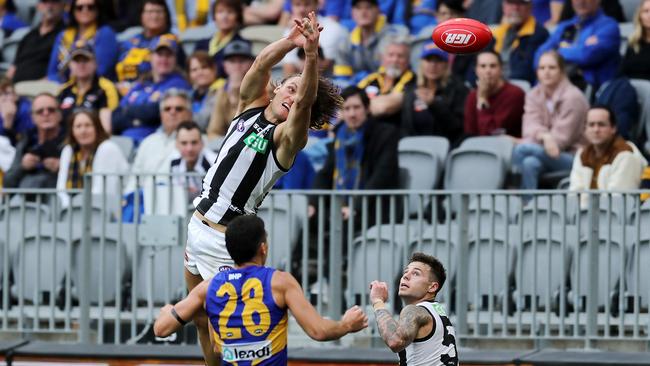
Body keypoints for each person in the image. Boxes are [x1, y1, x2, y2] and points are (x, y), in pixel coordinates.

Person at [186, 13, 341, 364]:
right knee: (198, 319)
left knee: (227, 327)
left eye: (301, 93)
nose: (295, 94)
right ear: (276, 88)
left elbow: (303, 103)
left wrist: (312, 56)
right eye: (290, 85)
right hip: (197, 225)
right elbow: (259, 63)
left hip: (227, 240)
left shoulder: (286, 139)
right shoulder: (247, 107)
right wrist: (292, 40)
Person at [154, 215, 368, 365]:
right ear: (263, 248)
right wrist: (347, 324)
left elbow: (161, 329)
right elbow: (318, 331)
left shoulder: (208, 287)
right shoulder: (280, 282)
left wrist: (168, 310)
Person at [309, 85, 399, 226]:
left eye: (356, 107)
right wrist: (313, 204)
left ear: (367, 109)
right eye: (347, 109)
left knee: (342, 228)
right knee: (311, 222)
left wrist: (355, 207)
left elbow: (381, 176)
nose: (352, 114)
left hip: (373, 209)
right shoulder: (340, 137)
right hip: (341, 209)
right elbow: (325, 174)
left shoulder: (385, 134)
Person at [512, 50, 588, 191]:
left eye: (552, 68)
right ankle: (528, 207)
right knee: (530, 163)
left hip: (574, 157)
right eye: (542, 68)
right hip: (544, 150)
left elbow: (561, 141)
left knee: (521, 149)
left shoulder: (573, 97)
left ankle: (512, 189)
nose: (546, 72)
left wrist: (540, 139)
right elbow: (529, 127)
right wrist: (544, 136)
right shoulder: (533, 94)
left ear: (562, 71)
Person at [369, 252, 458, 366]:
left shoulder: (414, 311)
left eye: (416, 273)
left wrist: (378, 301)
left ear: (432, 287)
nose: (406, 276)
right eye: (405, 272)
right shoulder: (437, 310)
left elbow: (395, 341)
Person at [111, 37, 191, 143]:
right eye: (160, 54)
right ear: (151, 57)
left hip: (153, 141)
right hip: (124, 140)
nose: (164, 59)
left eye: (168, 55)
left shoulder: (178, 83)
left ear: (175, 59)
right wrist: (139, 118)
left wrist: (128, 112)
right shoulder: (141, 84)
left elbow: (156, 113)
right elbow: (116, 116)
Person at [569, 105, 648, 207]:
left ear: (613, 128)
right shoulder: (582, 154)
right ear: (585, 129)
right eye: (591, 125)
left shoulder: (626, 154)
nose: (596, 129)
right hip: (586, 218)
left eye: (601, 125)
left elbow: (618, 201)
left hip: (617, 220)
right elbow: (575, 193)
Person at [534, 0, 620, 91]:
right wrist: (579, 48)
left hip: (589, 89)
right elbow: (539, 55)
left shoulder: (609, 26)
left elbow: (586, 56)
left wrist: (558, 51)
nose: (580, 1)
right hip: (554, 86)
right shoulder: (565, 26)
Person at [56, 109, 128, 207]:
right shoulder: (68, 150)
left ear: (97, 128)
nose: (83, 131)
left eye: (88, 125)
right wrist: (69, 210)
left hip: (108, 209)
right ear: (72, 131)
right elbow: (61, 189)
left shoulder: (107, 148)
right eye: (78, 126)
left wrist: (79, 210)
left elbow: (102, 190)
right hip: (75, 211)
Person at [400, 42, 468, 144]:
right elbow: (405, 126)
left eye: (438, 61)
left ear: (446, 64)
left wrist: (434, 104)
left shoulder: (458, 89)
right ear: (421, 63)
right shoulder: (410, 89)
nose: (433, 65)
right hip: (414, 149)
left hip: (446, 149)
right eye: (429, 60)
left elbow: (458, 127)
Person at [333, 0, 408, 86]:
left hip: (386, 89)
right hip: (354, 91)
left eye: (368, 7)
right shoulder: (345, 41)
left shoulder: (393, 37)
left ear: (378, 10)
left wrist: (359, 80)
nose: (363, 12)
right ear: (352, 13)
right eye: (358, 8)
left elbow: (389, 75)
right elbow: (341, 78)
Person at [115, 0, 183, 94]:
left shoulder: (171, 41)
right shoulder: (130, 42)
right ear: (141, 15)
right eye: (150, 12)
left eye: (159, 12)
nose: (154, 16)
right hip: (122, 92)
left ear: (166, 15)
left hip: (153, 93)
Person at [47, 0, 119, 83]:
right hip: (61, 85)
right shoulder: (62, 35)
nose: (85, 11)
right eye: (79, 8)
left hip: (94, 87)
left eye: (90, 7)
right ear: (73, 11)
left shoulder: (105, 33)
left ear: (97, 9)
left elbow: (102, 70)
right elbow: (51, 72)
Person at [3, 93, 64, 189]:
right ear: (33, 117)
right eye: (40, 111)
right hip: (25, 201)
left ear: (59, 114)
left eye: (51, 110)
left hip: (57, 200)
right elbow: (7, 183)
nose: (46, 114)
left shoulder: (70, 140)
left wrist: (64, 168)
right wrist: (23, 167)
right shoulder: (26, 141)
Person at [58, 43, 120, 134]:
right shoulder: (63, 90)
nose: (81, 64)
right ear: (70, 64)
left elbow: (112, 120)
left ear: (95, 63)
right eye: (76, 60)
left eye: (85, 60)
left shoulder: (106, 88)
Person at [464, 50, 525, 138]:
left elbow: (492, 133)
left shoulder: (515, 94)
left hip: (507, 148)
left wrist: (482, 99)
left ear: (501, 69)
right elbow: (470, 133)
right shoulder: (472, 97)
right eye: (483, 66)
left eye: (493, 66)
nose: (488, 71)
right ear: (476, 70)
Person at [357, 34, 414, 127]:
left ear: (408, 61)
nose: (395, 60)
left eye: (400, 56)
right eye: (390, 55)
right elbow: (349, 100)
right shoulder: (372, 78)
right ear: (382, 58)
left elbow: (383, 108)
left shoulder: (412, 79)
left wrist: (359, 106)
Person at [206, 40, 255, 139]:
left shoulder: (264, 86)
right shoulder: (221, 90)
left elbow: (247, 125)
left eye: (242, 61)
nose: (237, 66)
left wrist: (236, 94)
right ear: (225, 66)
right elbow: (214, 131)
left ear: (252, 63)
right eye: (232, 61)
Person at [6, 0, 65, 83]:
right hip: (15, 88)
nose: (49, 6)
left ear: (62, 5)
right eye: (45, 2)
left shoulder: (65, 35)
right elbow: (13, 68)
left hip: (44, 89)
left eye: (54, 2)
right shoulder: (29, 36)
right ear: (38, 6)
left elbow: (62, 72)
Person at [491, 0, 549, 83]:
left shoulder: (539, 34)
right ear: (504, 7)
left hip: (517, 86)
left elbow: (524, 73)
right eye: (511, 3)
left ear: (530, 7)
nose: (515, 8)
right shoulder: (498, 32)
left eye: (521, 3)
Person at [162, 121, 217, 204]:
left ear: (202, 143)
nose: (189, 149)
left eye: (194, 142)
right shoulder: (172, 161)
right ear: (176, 144)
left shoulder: (214, 163)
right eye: (184, 143)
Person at [195, 0, 247, 78]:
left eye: (230, 12)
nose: (224, 17)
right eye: (220, 12)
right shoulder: (202, 44)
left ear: (237, 17)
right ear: (214, 17)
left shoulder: (241, 45)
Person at [187, 51, 221, 131]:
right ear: (189, 74)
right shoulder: (191, 94)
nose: (200, 72)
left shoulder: (222, 90)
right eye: (194, 70)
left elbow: (202, 123)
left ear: (214, 69)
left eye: (204, 67)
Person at [621, 0, 650, 80]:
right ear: (640, 16)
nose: (649, 15)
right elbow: (622, 71)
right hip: (630, 89)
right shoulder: (633, 42)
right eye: (645, 11)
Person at [0, 76, 33, 146]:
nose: (3, 98)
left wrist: (8, 123)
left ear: (15, 95)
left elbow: (25, 142)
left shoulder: (26, 109)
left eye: (6, 93)